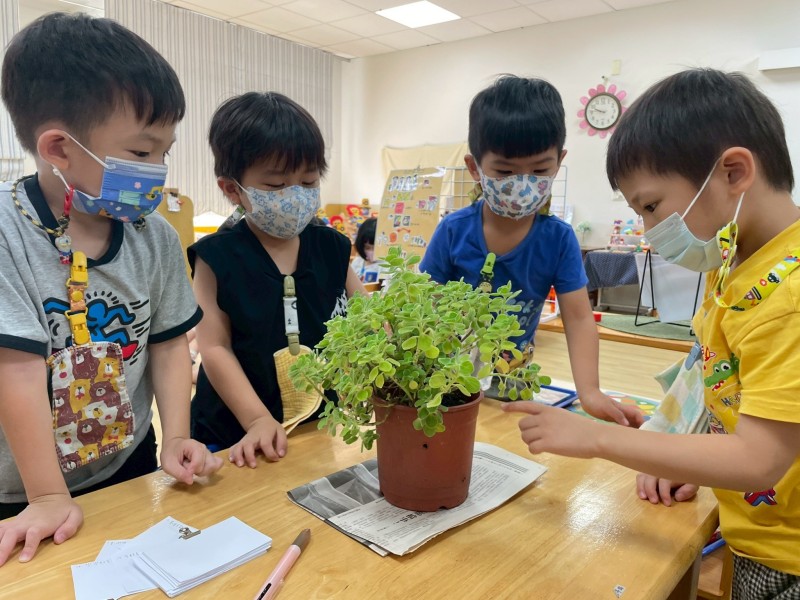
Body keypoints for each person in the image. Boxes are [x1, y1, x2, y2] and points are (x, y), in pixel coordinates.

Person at [505, 69, 800, 597]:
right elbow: (729, 387)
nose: (647, 230)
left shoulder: (790, 297)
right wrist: (696, 459)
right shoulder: (732, 261)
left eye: (650, 206)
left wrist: (597, 438)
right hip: (760, 529)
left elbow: (759, 459)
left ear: (733, 173)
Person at [0, 13, 222, 565]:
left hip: (126, 462)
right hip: (22, 489)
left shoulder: (158, 238)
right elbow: (16, 369)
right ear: (58, 147)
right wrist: (47, 495)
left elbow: (169, 346)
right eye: (143, 154)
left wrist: (175, 438)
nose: (160, 170)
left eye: (165, 153)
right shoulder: (7, 233)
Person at [420, 75, 642, 426]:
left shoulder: (557, 239)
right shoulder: (453, 231)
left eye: (540, 169)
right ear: (474, 168)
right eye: (505, 171)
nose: (522, 184)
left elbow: (580, 318)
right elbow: (420, 305)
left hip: (512, 383)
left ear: (559, 160)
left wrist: (591, 391)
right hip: (445, 381)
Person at [189, 92, 366, 468]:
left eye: (308, 181)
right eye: (275, 185)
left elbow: (371, 317)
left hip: (312, 424)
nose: (296, 196)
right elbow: (214, 347)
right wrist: (255, 419)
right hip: (232, 431)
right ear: (233, 189)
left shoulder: (332, 246)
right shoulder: (216, 257)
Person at [351, 217, 382, 283]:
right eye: (367, 248)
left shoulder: (385, 266)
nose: (372, 252)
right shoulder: (357, 262)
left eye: (375, 248)